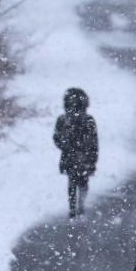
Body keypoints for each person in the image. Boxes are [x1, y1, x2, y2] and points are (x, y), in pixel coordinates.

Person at [53, 87, 98, 218]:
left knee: (72, 181)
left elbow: (56, 137)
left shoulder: (63, 119)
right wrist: (93, 158)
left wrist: (64, 145)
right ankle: (79, 205)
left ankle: (73, 206)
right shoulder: (88, 120)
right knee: (82, 181)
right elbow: (94, 142)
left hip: (70, 155)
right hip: (84, 155)